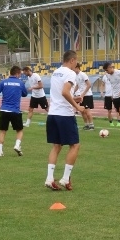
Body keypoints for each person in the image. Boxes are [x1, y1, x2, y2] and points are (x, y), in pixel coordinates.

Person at [44, 50, 85, 190]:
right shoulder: (70, 73)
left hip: (53, 113)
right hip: (64, 115)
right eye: (76, 61)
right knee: (75, 145)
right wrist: (77, 106)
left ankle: (49, 178)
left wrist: (73, 99)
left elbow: (60, 93)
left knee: (56, 146)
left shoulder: (55, 72)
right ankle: (65, 179)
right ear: (72, 60)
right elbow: (65, 92)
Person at [0, 65, 27, 157]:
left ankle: (0, 152)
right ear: (17, 74)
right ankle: (17, 145)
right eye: (20, 74)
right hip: (15, 111)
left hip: (4, 110)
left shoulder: (4, 82)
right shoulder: (20, 83)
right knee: (19, 130)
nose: (20, 76)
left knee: (2, 131)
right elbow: (25, 94)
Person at [103, 62, 120, 128]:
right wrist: (112, 94)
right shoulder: (107, 75)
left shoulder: (119, 73)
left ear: (110, 67)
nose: (106, 72)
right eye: (105, 71)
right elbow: (113, 85)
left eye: (107, 70)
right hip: (115, 96)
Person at [74, 63, 95, 131]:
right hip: (81, 96)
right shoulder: (76, 76)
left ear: (77, 68)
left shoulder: (83, 74)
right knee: (82, 111)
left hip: (87, 95)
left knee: (87, 110)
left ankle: (91, 125)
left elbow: (89, 85)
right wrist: (73, 92)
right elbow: (77, 85)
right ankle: (86, 125)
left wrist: (82, 94)